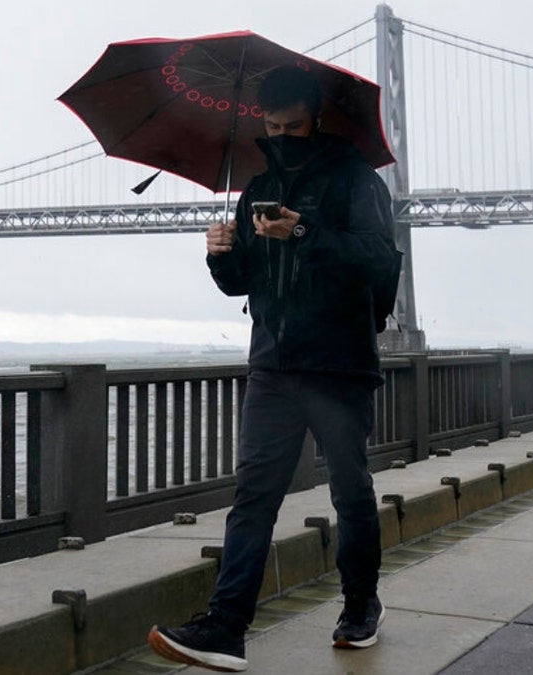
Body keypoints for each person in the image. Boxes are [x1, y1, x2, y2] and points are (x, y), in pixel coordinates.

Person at [147, 65, 399, 672]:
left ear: (315, 119)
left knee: (350, 490)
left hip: (338, 365)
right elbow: (244, 283)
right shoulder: (256, 186)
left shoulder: (355, 181)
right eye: (272, 125)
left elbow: (380, 262)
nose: (283, 134)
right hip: (272, 366)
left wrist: (304, 230)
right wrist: (220, 256)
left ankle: (361, 605)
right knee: (252, 498)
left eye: (293, 125)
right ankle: (227, 627)